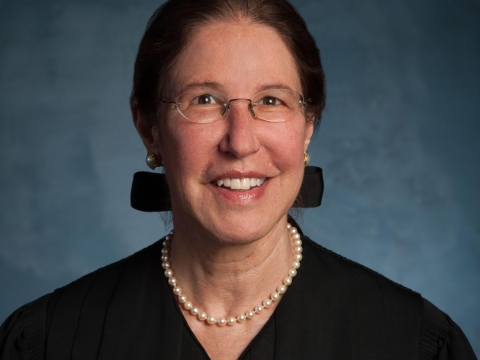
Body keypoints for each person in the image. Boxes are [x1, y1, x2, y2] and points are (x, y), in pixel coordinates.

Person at [0, 0, 477, 359]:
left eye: (272, 100)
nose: (241, 141)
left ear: (307, 124)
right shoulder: (48, 341)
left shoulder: (413, 343)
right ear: (149, 128)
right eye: (205, 99)